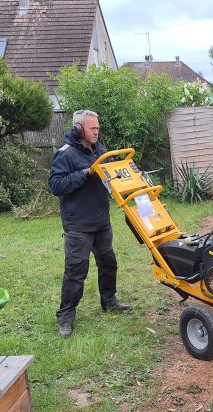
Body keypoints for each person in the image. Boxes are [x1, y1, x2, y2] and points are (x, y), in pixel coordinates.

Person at [49, 109, 132, 338]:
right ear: (79, 129)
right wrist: (85, 173)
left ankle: (109, 301)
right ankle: (65, 317)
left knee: (109, 263)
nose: (97, 132)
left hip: (101, 220)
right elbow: (55, 185)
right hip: (78, 225)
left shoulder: (100, 150)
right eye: (92, 128)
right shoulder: (65, 154)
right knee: (76, 272)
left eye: (98, 127)